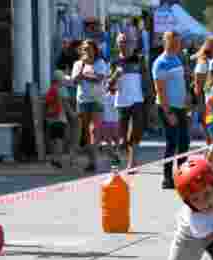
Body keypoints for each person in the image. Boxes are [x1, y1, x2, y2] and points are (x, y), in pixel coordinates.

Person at [152, 31, 189, 190]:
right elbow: (160, 90)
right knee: (172, 143)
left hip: (180, 107)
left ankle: (182, 175)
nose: (175, 45)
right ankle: (167, 178)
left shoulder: (177, 59)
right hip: (168, 107)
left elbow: (181, 81)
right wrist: (168, 112)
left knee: (184, 142)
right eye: (172, 42)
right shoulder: (160, 63)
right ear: (165, 42)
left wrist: (187, 96)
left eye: (177, 42)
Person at [69, 39, 107, 173]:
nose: (87, 51)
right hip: (83, 100)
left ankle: (94, 160)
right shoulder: (78, 64)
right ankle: (91, 160)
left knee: (94, 130)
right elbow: (74, 80)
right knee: (85, 131)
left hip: (97, 100)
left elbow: (99, 79)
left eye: (90, 49)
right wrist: (82, 71)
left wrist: (85, 77)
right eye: (84, 49)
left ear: (95, 50)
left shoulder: (100, 63)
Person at [110, 32, 146, 171]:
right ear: (117, 44)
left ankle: (132, 163)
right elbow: (109, 85)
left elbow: (146, 79)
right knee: (122, 138)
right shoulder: (114, 61)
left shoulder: (140, 59)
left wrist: (149, 99)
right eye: (121, 41)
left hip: (137, 100)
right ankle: (118, 157)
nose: (124, 44)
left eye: (127, 41)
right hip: (121, 102)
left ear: (133, 44)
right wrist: (115, 75)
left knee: (135, 133)